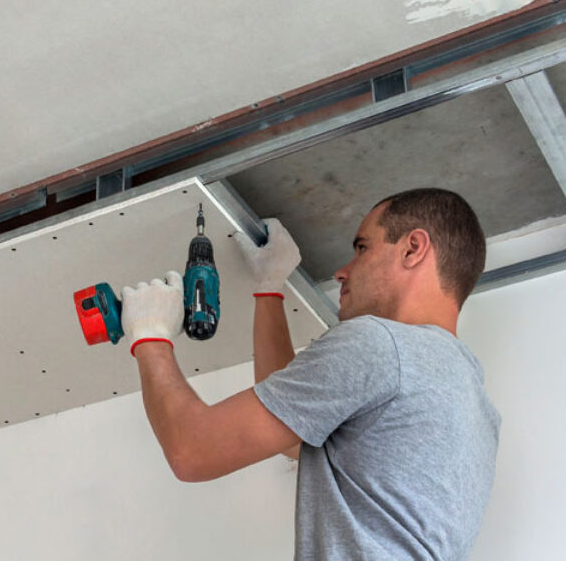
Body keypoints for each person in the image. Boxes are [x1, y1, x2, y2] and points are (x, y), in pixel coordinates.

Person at [121, 188, 500, 560]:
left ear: (413, 248)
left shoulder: (379, 344)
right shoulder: (471, 397)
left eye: (362, 248)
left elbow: (193, 450)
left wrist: (149, 333)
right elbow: (293, 433)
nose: (342, 271)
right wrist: (269, 289)